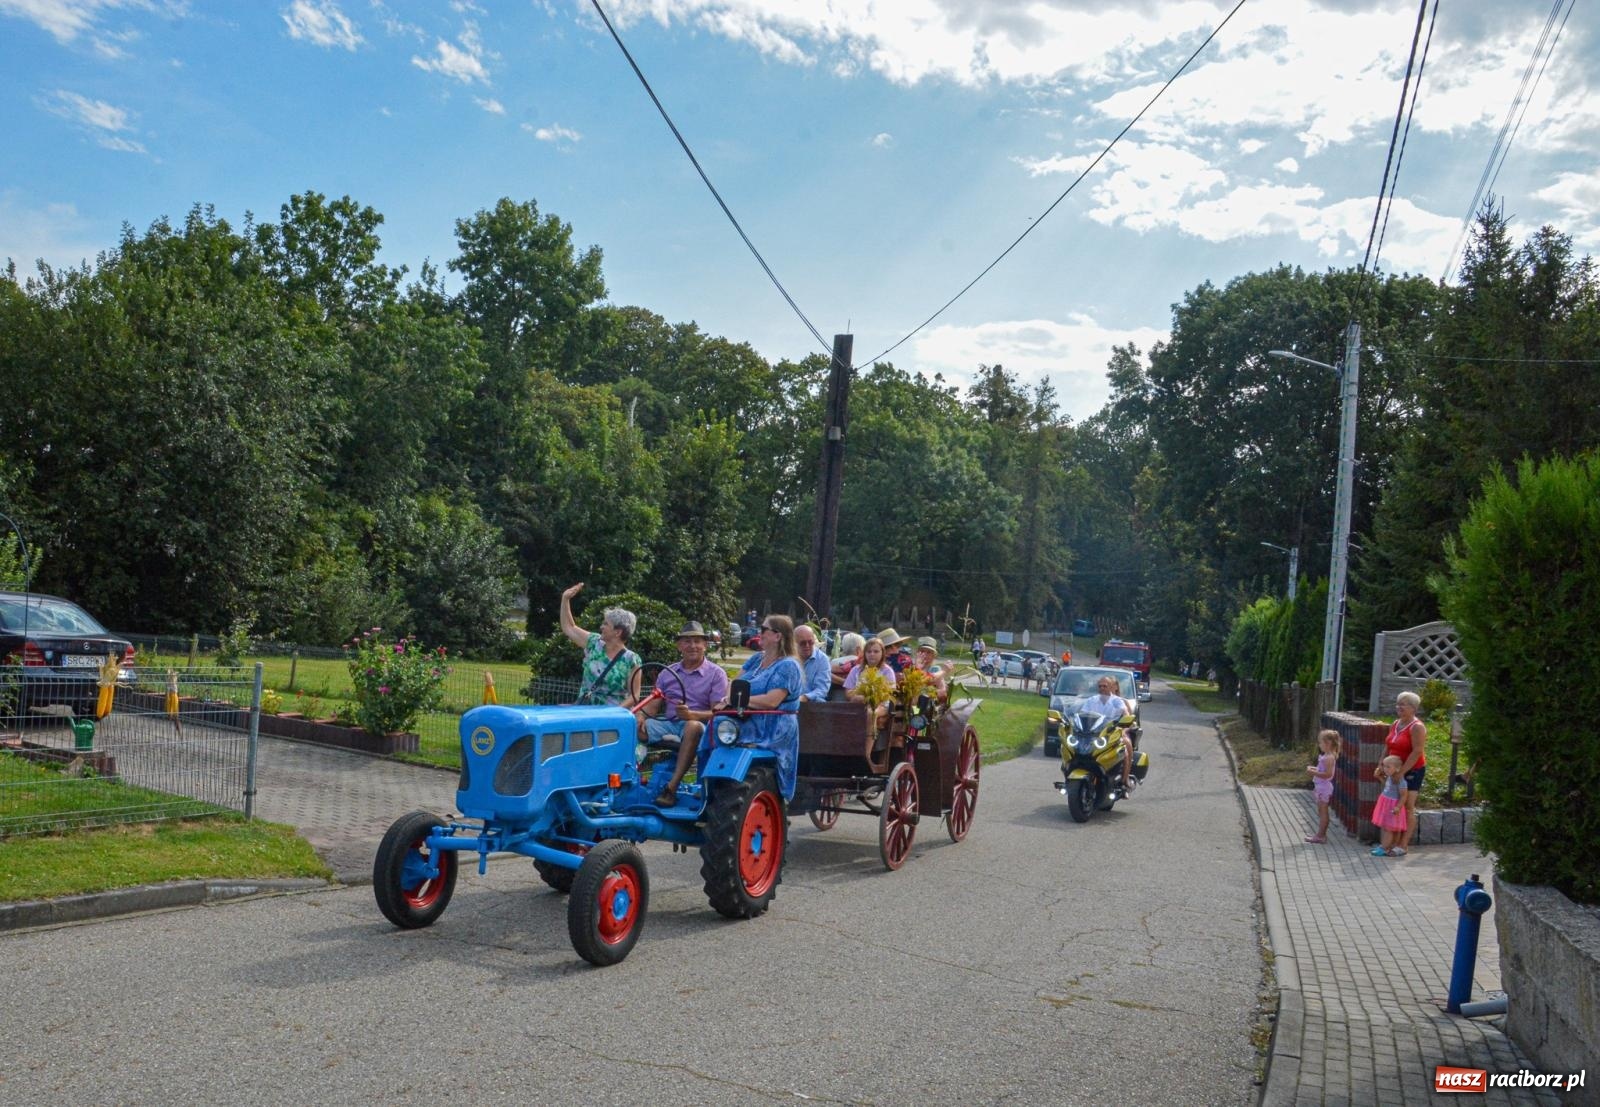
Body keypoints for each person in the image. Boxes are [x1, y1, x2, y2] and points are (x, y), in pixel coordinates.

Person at [647, 622, 731, 806]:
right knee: (633, 726)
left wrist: (692, 715)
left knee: (692, 727)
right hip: (669, 724)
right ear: (679, 646)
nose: (692, 646)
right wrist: (637, 717)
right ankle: (624, 782)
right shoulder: (668, 673)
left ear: (705, 645)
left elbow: (717, 713)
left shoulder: (716, 674)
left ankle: (671, 788)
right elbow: (651, 707)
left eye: (697, 641)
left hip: (700, 727)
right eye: (687, 641)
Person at [728, 614, 803, 799]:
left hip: (773, 725)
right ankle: (707, 785)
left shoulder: (788, 666)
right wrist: (728, 696)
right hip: (746, 718)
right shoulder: (756, 659)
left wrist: (737, 701)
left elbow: (772, 701)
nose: (759, 633)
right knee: (716, 727)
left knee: (724, 732)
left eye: (763, 630)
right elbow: (734, 683)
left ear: (777, 636)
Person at [559, 582, 639, 707]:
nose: (601, 627)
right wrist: (565, 599)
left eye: (606, 624)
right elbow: (569, 628)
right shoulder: (594, 642)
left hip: (612, 715)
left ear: (617, 632)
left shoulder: (632, 660)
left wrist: (613, 712)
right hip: (585, 710)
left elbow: (634, 696)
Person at [1384, 690, 1427, 854]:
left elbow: (1417, 752)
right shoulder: (1395, 723)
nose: (1399, 707)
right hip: (1394, 770)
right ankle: (1392, 842)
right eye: (1398, 704)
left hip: (1413, 770)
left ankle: (1403, 845)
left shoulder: (1417, 727)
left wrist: (1402, 772)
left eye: (1403, 704)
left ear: (1413, 708)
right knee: (1395, 804)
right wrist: (1382, 764)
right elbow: (1388, 746)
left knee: (1408, 806)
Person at [1084, 675, 1136, 793]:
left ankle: (1125, 780)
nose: (1102, 688)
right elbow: (1082, 714)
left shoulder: (1117, 701)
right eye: (1100, 686)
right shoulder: (1091, 700)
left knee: (1125, 746)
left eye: (1105, 686)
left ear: (1111, 687)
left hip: (1112, 732)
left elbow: (1126, 714)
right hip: (1093, 733)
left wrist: (1124, 726)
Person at [1370, 755, 1409, 857]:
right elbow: (1387, 785)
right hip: (1385, 803)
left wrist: (1398, 807)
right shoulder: (1390, 777)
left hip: (1393, 806)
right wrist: (1379, 777)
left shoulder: (1401, 781)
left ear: (1397, 768)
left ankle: (1384, 848)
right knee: (1386, 826)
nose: (1385, 769)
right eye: (1384, 766)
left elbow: (1404, 796)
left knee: (1389, 828)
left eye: (1388, 767)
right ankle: (1387, 846)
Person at [1305, 729, 1339, 843]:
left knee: (1323, 812)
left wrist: (1313, 773)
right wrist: (1313, 768)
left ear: (1327, 743)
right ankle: (1320, 834)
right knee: (1320, 811)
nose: (1319, 745)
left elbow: (1328, 774)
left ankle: (1321, 835)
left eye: (1320, 742)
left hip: (1324, 787)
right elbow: (1322, 770)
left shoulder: (1329, 758)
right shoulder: (1326, 756)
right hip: (1320, 787)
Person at [794, 623, 832, 703]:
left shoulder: (822, 659)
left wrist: (805, 697)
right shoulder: (787, 658)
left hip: (812, 702)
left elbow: (822, 689)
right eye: (803, 643)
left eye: (810, 642)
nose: (807, 645)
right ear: (794, 643)